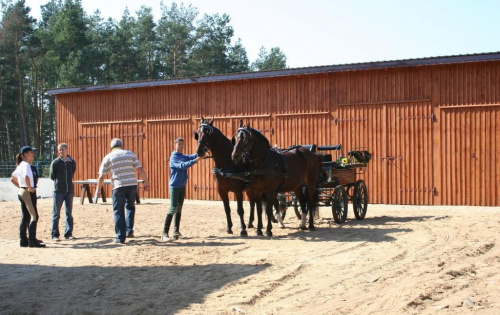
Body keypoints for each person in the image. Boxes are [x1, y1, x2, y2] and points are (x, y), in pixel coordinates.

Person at [95, 138, 150, 244]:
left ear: (111, 147)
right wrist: (146, 182)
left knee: (118, 211)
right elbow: (140, 169)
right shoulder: (130, 154)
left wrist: (98, 189)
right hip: (132, 185)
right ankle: (129, 231)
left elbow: (101, 175)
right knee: (130, 207)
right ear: (121, 145)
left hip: (118, 186)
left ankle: (120, 237)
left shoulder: (108, 157)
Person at [162, 137, 203, 242]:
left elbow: (192, 156)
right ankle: (164, 233)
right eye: (179, 144)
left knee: (179, 208)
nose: (181, 146)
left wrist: (201, 151)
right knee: (173, 208)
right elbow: (183, 165)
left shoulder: (182, 156)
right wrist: (196, 160)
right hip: (175, 186)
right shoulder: (174, 157)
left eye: (182, 144)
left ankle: (176, 232)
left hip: (182, 185)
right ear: (175, 145)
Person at [10, 146, 45, 248]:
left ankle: (23, 240)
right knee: (34, 216)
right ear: (25, 154)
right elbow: (26, 176)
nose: (32, 154)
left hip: (22, 191)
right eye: (30, 152)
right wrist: (29, 188)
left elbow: (12, 178)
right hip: (27, 191)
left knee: (25, 216)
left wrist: (21, 187)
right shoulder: (25, 165)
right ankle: (32, 241)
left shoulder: (20, 165)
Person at [50, 143, 76, 241]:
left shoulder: (72, 162)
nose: (61, 151)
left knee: (69, 212)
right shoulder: (55, 163)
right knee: (56, 213)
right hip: (58, 191)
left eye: (62, 149)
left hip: (69, 190)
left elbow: (72, 173)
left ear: (67, 149)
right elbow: (52, 176)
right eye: (59, 150)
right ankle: (55, 234)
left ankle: (68, 233)